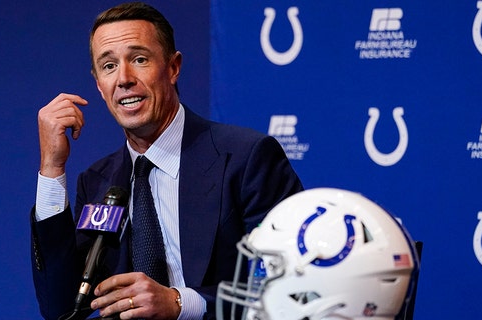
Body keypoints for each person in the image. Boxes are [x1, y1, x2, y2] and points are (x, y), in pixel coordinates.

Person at [30, 2, 303, 320]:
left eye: (139, 59)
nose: (124, 79)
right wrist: (52, 169)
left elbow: (292, 281)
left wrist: (181, 303)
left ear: (173, 68)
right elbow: (60, 307)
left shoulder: (246, 158)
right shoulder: (97, 181)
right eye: (108, 66)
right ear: (99, 87)